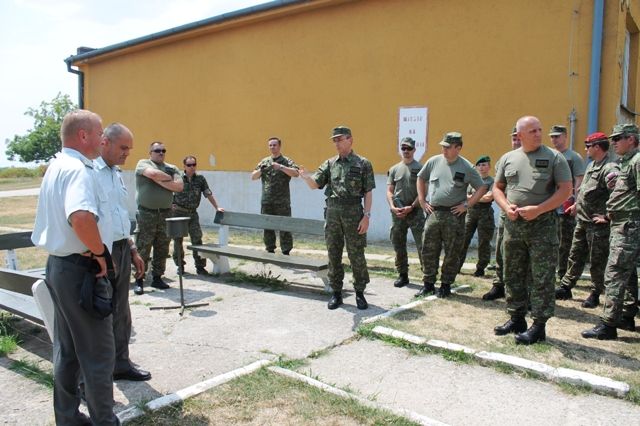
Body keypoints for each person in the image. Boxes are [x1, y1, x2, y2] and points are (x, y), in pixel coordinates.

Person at [31, 110, 120, 425]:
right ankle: (104, 421)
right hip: (81, 270)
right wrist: (100, 253)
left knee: (67, 351)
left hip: (60, 267)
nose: (102, 138)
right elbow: (80, 217)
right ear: (83, 135)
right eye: (99, 132)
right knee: (98, 353)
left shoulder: (57, 166)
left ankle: (68, 418)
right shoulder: (78, 170)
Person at [493, 116, 572, 345]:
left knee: (542, 276)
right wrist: (506, 206)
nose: (538, 134)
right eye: (533, 131)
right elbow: (497, 188)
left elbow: (566, 190)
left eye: (539, 129)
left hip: (542, 225)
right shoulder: (508, 158)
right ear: (520, 135)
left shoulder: (554, 157)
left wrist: (539, 209)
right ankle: (516, 318)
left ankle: (539, 325)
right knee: (512, 272)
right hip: (514, 225)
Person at [94, 123, 151, 382]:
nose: (127, 153)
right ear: (105, 142)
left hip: (121, 247)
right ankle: (98, 373)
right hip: (100, 251)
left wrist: (132, 249)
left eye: (130, 148)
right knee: (100, 312)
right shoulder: (90, 172)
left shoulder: (115, 172)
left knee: (122, 310)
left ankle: (121, 363)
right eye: (123, 147)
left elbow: (119, 215)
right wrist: (98, 253)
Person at [299, 126, 375, 310]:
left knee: (356, 254)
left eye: (340, 139)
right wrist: (306, 177)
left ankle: (359, 293)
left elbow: (368, 192)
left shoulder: (363, 163)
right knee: (333, 253)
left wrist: (366, 216)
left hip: (353, 212)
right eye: (334, 140)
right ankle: (336, 293)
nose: (337, 143)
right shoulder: (330, 163)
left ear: (350, 140)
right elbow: (315, 185)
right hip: (333, 212)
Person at [582, 123, 640, 340]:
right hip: (622, 223)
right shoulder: (627, 162)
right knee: (627, 273)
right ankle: (626, 315)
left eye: (617, 138)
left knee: (614, 273)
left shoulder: (637, 161)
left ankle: (608, 325)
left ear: (631, 139)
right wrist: (609, 216)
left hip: (629, 226)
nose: (613, 142)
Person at [415, 132, 487, 298]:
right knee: (428, 249)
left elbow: (482, 188)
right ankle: (428, 284)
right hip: (434, 212)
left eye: (448, 147)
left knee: (452, 252)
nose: (444, 150)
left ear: (458, 148)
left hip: (454, 215)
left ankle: (445, 285)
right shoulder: (434, 161)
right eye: (443, 146)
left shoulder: (467, 167)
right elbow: (420, 178)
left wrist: (466, 205)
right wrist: (422, 200)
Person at [554, 132, 617, 308]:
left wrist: (608, 216)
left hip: (597, 226)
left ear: (597, 147)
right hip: (582, 220)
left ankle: (596, 293)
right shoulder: (591, 166)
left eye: (588, 146)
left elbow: (618, 194)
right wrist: (576, 206)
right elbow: (585, 191)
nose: (585, 149)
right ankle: (566, 287)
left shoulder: (610, 169)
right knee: (575, 255)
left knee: (597, 260)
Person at [133, 142, 184, 295]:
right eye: (157, 150)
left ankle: (157, 277)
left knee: (162, 246)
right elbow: (153, 174)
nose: (161, 153)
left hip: (165, 213)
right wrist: (168, 179)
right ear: (150, 152)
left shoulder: (172, 167)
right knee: (143, 246)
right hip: (146, 213)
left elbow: (179, 187)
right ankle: (139, 279)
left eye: (163, 150)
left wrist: (159, 179)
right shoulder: (143, 163)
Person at [483, 127, 521, 300]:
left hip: (527, 214)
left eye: (519, 138)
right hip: (506, 212)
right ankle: (499, 284)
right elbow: (498, 187)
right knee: (500, 249)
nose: (516, 141)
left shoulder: (535, 159)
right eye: (514, 138)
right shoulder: (504, 160)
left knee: (522, 254)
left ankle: (522, 290)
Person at [172, 155, 224, 275]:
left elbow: (208, 193)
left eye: (194, 164)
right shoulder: (177, 178)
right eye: (189, 165)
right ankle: (180, 266)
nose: (192, 167)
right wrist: (170, 204)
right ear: (184, 166)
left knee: (197, 239)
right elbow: (168, 191)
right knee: (177, 240)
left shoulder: (200, 179)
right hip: (179, 213)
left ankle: (200, 266)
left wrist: (217, 207)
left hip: (192, 214)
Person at [386, 137, 426, 287]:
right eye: (403, 148)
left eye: (409, 148)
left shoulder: (421, 168)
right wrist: (392, 206)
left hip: (415, 212)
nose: (406, 151)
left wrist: (412, 206)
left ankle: (427, 278)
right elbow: (390, 190)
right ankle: (403, 275)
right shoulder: (394, 169)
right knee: (398, 245)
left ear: (414, 150)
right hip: (398, 213)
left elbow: (423, 191)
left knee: (422, 245)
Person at [549, 125, 585, 281]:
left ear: (565, 136)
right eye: (552, 136)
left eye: (557, 136)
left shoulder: (573, 157)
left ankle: (563, 273)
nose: (554, 139)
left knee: (565, 242)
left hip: (565, 205)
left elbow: (579, 180)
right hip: (549, 204)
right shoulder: (550, 155)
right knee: (550, 240)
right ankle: (550, 270)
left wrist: (576, 202)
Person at [251, 137, 299, 254]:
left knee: (285, 227)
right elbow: (253, 176)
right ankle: (270, 249)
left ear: (279, 146)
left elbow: (296, 173)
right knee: (268, 226)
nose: (272, 147)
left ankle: (286, 251)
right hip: (267, 201)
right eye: (270, 145)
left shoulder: (286, 161)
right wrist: (261, 171)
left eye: (274, 145)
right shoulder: (264, 162)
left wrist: (281, 167)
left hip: (282, 201)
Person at [458, 155, 495, 277]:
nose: (481, 167)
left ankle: (480, 268)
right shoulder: (472, 181)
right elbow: (464, 196)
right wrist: (479, 197)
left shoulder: (492, 181)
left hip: (485, 214)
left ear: (489, 167)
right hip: (470, 213)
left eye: (484, 165)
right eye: (479, 165)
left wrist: (473, 198)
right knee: (463, 239)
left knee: (484, 242)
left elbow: (489, 197)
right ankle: (457, 266)